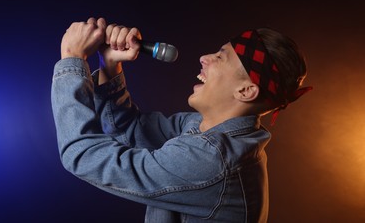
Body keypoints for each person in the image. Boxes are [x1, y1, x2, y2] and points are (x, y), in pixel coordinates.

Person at [51, 17, 312, 222]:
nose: (204, 58)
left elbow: (82, 156)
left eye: (220, 57)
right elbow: (131, 130)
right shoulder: (203, 128)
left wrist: (72, 58)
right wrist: (110, 65)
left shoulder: (213, 159)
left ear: (245, 91)